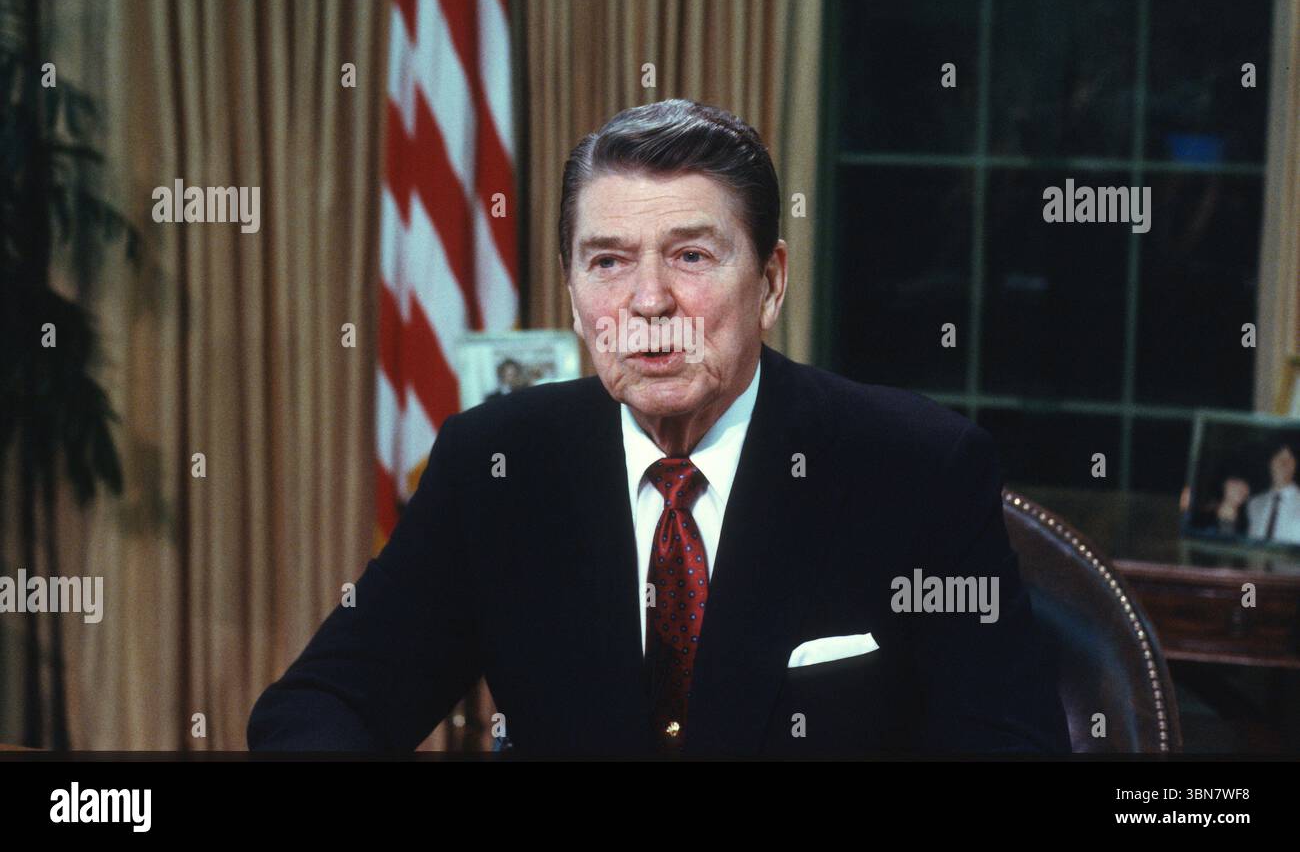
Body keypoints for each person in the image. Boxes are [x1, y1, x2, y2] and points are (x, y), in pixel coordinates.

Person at [247, 99, 1070, 756]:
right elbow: (323, 703)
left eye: (690, 256)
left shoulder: (915, 468)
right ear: (572, 293)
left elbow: (1011, 744)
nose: (647, 303)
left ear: (771, 282)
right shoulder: (496, 464)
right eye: (608, 260)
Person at [1245, 445, 1300, 543]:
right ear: (1270, 462)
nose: (1284, 464)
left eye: (1290, 459)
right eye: (1279, 458)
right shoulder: (1254, 503)